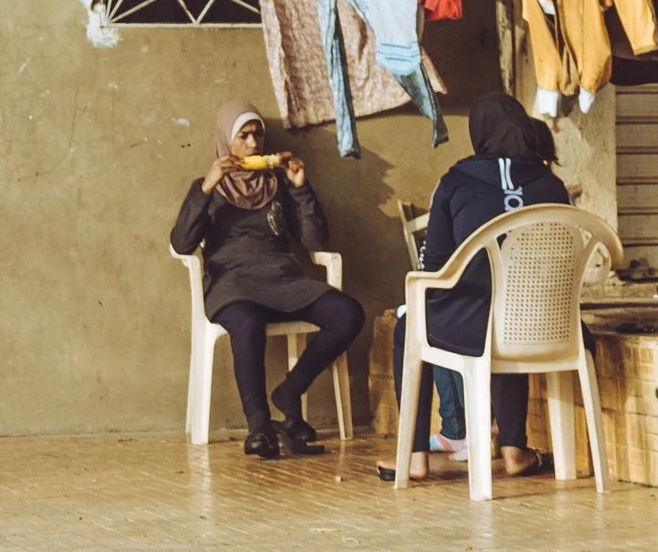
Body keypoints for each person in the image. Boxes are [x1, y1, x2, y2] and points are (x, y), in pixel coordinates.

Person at [380, 93, 571, 483]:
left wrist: (430, 305)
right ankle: (515, 450)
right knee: (509, 312)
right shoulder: (552, 184)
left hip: (476, 324)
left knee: (408, 327)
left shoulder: (455, 181)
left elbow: (435, 267)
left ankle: (415, 458)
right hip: (546, 323)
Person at [170, 102, 366, 458]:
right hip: (232, 285)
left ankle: (290, 391)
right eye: (243, 136)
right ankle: (259, 426)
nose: (253, 144)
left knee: (348, 313)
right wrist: (208, 185)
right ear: (225, 140)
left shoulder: (278, 185)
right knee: (247, 324)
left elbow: (316, 242)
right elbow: (181, 243)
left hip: (282, 280)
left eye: (257, 135)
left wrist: (301, 188)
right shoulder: (207, 188)